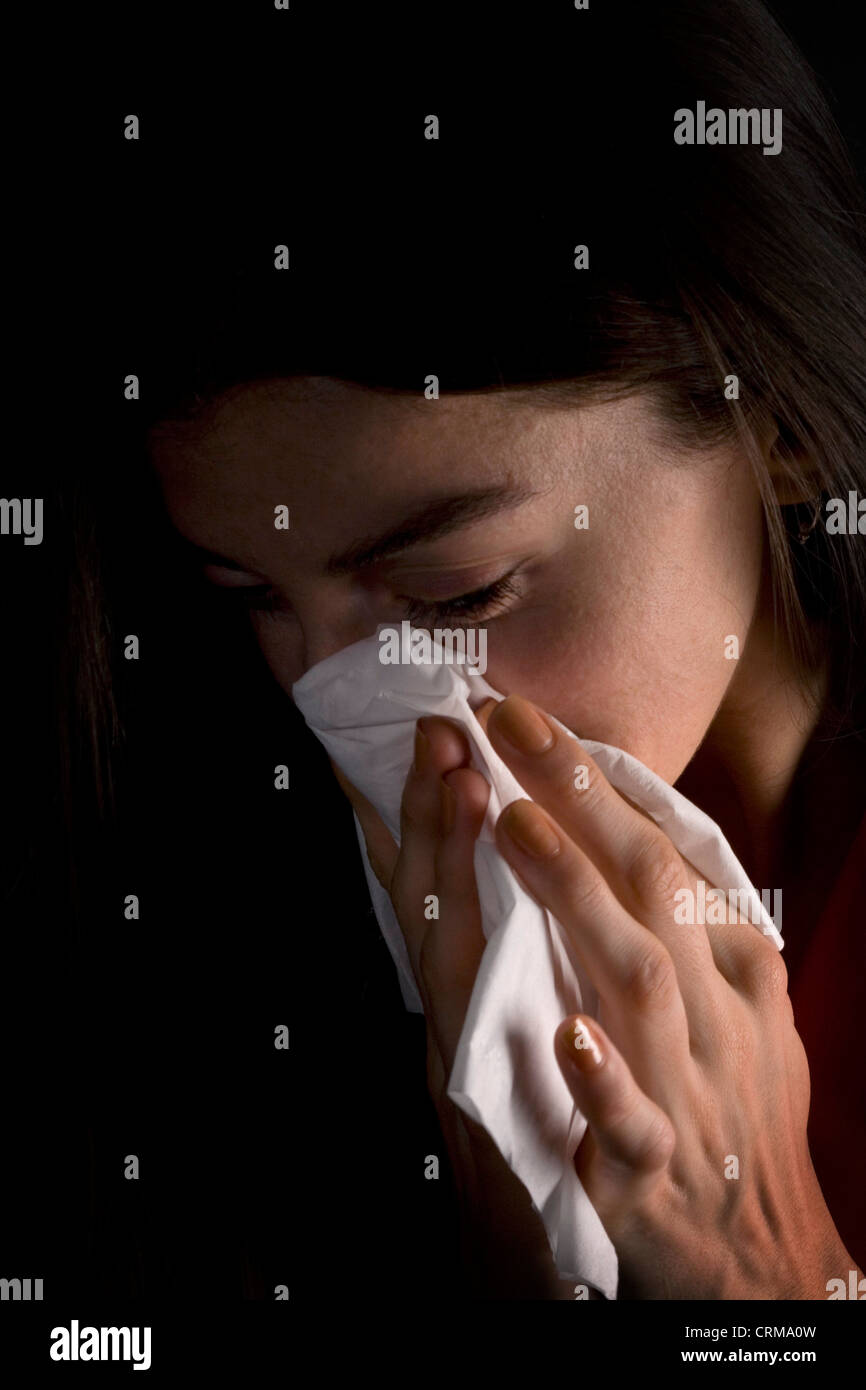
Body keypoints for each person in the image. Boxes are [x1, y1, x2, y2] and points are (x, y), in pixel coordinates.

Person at [58, 0, 866, 1298]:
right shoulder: (219, 927)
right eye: (252, 595)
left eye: (455, 591)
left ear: (773, 423)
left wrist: (766, 1284)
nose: (340, 707)